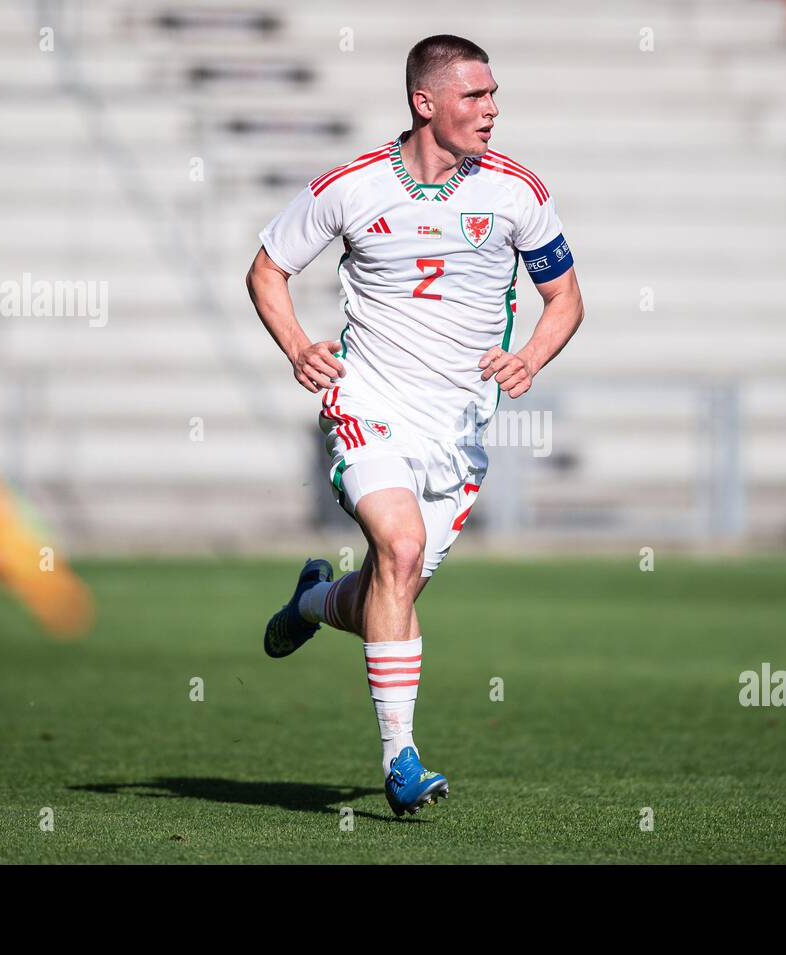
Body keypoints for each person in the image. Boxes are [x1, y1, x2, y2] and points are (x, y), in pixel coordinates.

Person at [245, 34, 584, 816]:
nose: (492, 111)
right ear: (424, 102)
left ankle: (308, 604)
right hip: (369, 404)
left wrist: (530, 356)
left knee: (385, 594)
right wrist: (299, 347)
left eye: (494, 95)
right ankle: (401, 760)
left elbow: (564, 298)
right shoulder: (350, 187)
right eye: (475, 96)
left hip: (458, 430)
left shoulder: (516, 193)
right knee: (400, 548)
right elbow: (267, 267)